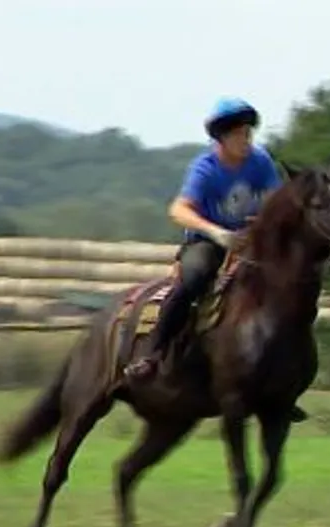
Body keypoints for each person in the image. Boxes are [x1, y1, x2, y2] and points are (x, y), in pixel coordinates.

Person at [124, 97, 309, 422]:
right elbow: (178, 209)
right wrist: (218, 233)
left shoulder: (261, 161)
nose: (246, 139)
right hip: (208, 243)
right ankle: (152, 355)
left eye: (248, 132)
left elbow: (275, 204)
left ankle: (282, 382)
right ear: (221, 138)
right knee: (193, 279)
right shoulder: (205, 169)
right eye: (239, 133)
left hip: (250, 245)